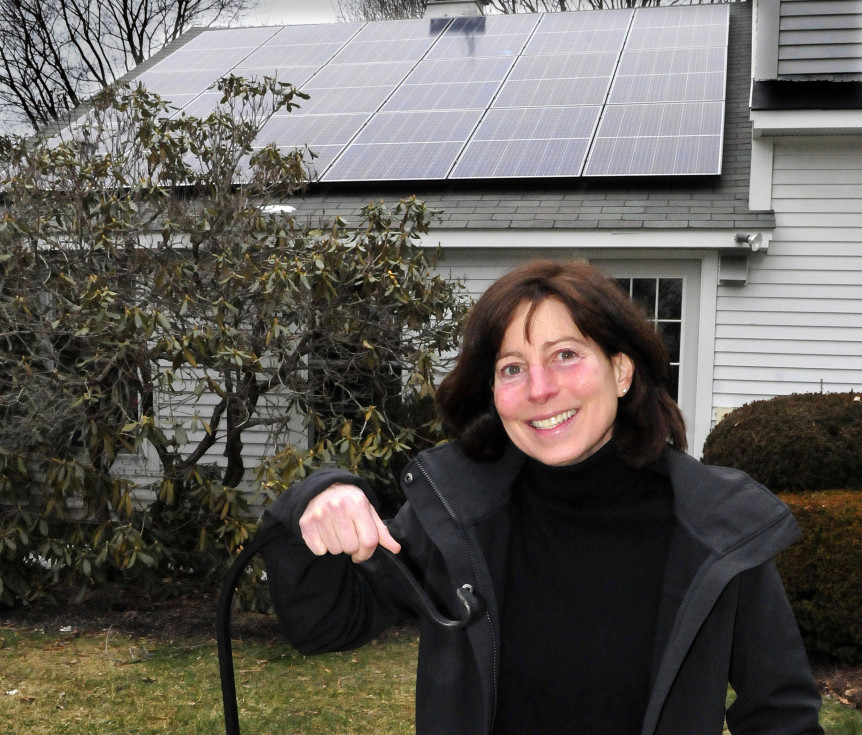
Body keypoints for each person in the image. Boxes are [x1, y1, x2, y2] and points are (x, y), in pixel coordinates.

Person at [262, 259, 824, 735]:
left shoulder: (718, 529)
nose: (539, 390)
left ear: (621, 370)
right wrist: (318, 496)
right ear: (494, 393)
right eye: (512, 368)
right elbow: (326, 624)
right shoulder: (460, 513)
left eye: (565, 355)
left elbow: (780, 713)